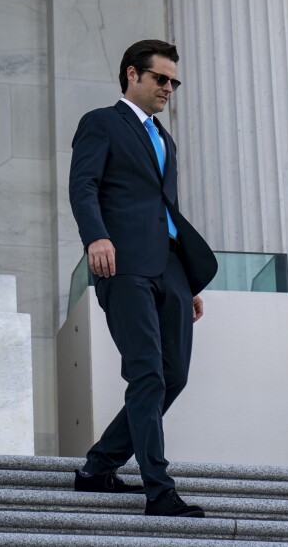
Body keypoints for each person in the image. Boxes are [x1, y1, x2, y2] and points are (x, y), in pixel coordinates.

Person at [68, 39, 217, 517]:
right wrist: (96, 237)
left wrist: (187, 280)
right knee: (147, 372)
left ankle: (97, 468)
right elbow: (83, 185)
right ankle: (159, 489)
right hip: (123, 264)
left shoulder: (165, 139)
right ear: (132, 75)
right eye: (161, 79)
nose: (169, 88)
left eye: (174, 82)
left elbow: (164, 209)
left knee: (174, 375)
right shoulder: (101, 123)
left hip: (170, 266)